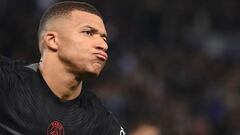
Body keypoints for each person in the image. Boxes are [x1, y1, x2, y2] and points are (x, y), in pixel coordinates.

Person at [0, 1, 125, 135]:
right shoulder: (7, 82)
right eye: (88, 33)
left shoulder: (101, 124)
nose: (103, 45)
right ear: (52, 40)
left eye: (104, 39)